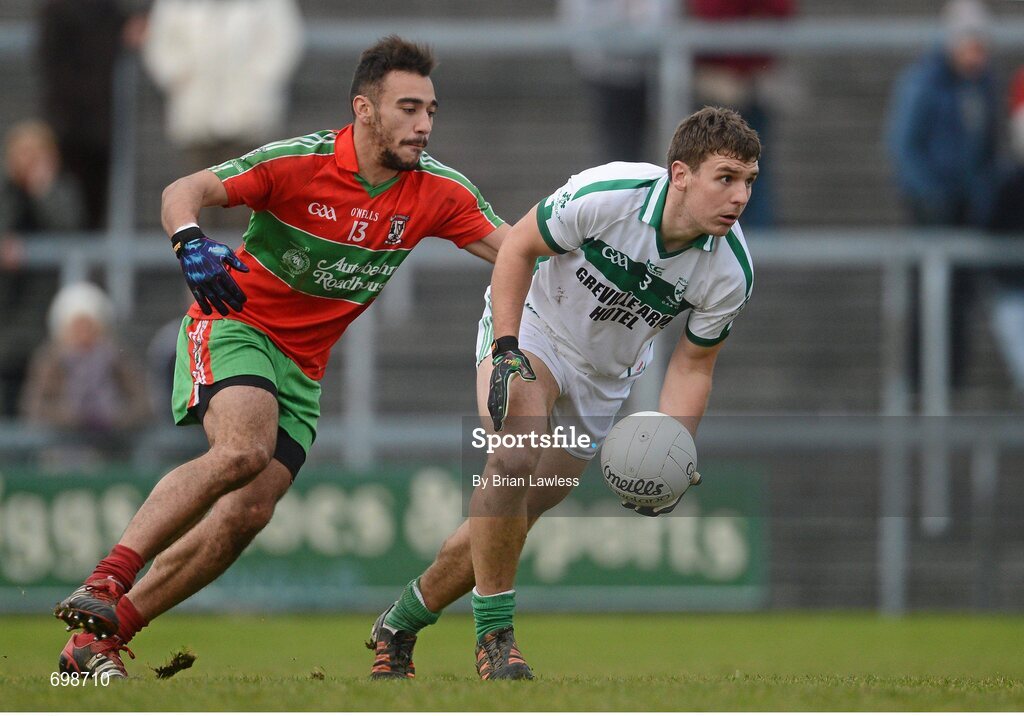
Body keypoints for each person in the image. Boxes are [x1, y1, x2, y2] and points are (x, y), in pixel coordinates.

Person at [53, 36, 508, 679]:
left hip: (303, 367)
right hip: (236, 323)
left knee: (249, 512)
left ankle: (98, 640)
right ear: (365, 109)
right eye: (409, 108)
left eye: (431, 110)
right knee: (242, 450)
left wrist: (611, 242)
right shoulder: (300, 162)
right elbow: (184, 189)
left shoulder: (438, 191)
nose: (424, 125)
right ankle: (106, 580)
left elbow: (518, 249)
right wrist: (188, 243)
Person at [368, 106, 758, 680]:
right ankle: (495, 639)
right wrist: (504, 348)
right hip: (533, 333)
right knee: (515, 456)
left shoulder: (731, 271)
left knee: (511, 519)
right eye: (726, 177)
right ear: (680, 174)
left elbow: (694, 364)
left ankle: (400, 622)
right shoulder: (609, 194)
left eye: (749, 181)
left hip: (603, 384)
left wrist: (676, 445)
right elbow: (518, 247)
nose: (740, 196)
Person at [885, 0, 999, 392]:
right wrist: (931, 196)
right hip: (932, 212)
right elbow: (904, 149)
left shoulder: (982, 86)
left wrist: (980, 196)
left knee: (959, 303)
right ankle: (921, 381)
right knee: (928, 300)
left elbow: (987, 149)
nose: (977, 56)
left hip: (967, 211)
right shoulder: (923, 83)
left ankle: (951, 381)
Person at [37, 0, 149, 230]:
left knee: (90, 214)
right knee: (67, 211)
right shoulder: (59, 12)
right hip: (71, 128)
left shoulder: (104, 10)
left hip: (94, 130)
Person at [19, 282, 151, 470]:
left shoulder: (117, 358)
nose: (83, 334)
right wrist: (72, 416)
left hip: (114, 452)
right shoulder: (51, 361)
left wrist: (114, 417)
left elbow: (143, 403)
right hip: (59, 453)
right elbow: (34, 406)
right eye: (77, 327)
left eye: (89, 326)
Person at [688, 0, 797, 228]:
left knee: (754, 173)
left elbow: (782, 11)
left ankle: (757, 253)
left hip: (756, 82)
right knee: (710, 173)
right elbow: (709, 14)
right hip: (716, 82)